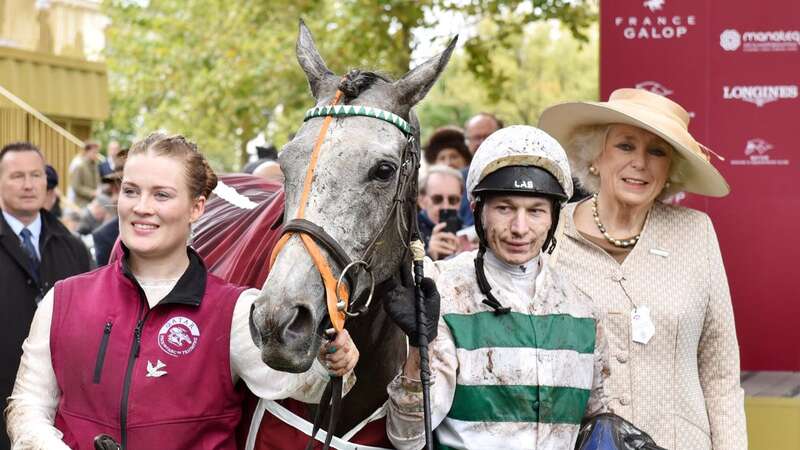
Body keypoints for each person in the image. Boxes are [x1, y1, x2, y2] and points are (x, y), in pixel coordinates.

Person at [6, 133, 360, 449]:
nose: (141, 207)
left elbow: (305, 386)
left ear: (197, 207)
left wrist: (334, 362)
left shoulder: (235, 311)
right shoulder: (63, 299)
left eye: (162, 195)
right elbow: (27, 406)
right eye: (131, 191)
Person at [538, 88, 747, 450]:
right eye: (625, 146)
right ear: (594, 156)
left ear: (669, 169)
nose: (641, 162)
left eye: (657, 151)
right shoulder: (549, 235)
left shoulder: (695, 232)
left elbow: (720, 373)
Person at [385, 125, 608, 449]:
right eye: (505, 208)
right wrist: (419, 350)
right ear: (478, 211)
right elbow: (406, 438)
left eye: (535, 211)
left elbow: (597, 429)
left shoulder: (582, 309)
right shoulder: (443, 292)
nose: (520, 228)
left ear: (554, 217)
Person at [0, 142, 91, 450]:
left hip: (58, 416)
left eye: (36, 175)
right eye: (17, 176)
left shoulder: (74, 248)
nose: (28, 185)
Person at [457, 113, 504, 228]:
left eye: (488, 136)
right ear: (467, 142)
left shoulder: (515, 176)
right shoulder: (457, 180)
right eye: (477, 137)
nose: (482, 142)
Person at [417, 165, 464, 260]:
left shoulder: (468, 233)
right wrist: (429, 257)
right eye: (437, 199)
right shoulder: (406, 234)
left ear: (460, 202)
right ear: (422, 201)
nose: (445, 206)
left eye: (453, 200)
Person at [68, 140, 101, 207]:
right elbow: (76, 187)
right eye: (94, 152)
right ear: (87, 152)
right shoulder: (79, 165)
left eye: (97, 152)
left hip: (94, 202)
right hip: (81, 203)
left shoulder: (96, 166)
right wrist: (92, 193)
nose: (96, 154)